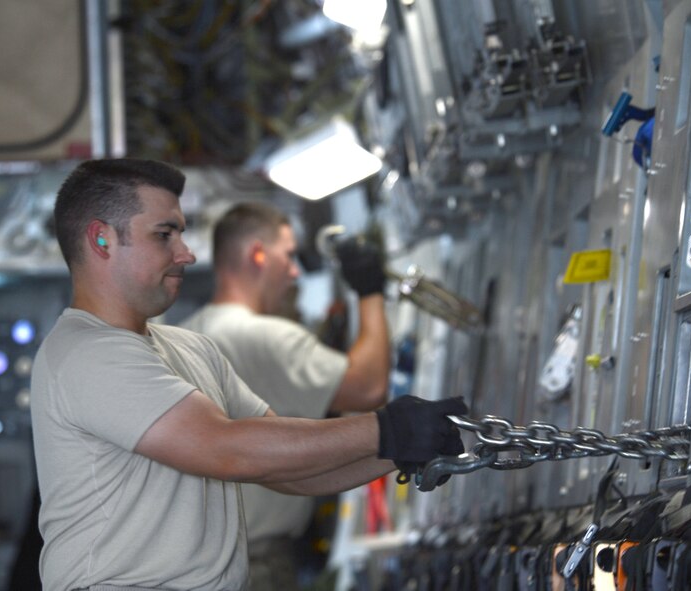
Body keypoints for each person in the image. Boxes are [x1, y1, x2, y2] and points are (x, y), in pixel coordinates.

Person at [30, 158, 466, 591]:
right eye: (164, 235)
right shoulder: (83, 353)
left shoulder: (190, 348)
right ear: (102, 239)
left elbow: (289, 470)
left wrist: (399, 452)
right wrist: (384, 429)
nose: (186, 253)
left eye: (181, 233)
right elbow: (226, 449)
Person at [182, 202, 390, 590]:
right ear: (258, 255)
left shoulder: (187, 336)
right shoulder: (261, 336)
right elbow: (369, 385)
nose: (294, 272)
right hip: (256, 565)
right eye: (288, 256)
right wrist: (370, 290)